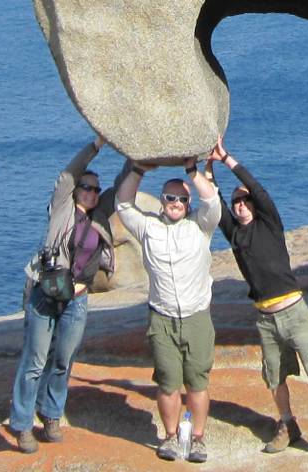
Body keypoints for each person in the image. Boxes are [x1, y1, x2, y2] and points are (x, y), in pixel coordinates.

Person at [195, 139, 308, 465]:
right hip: (265, 317)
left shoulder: (270, 223)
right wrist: (207, 167)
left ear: (254, 205)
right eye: (237, 203)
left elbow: (256, 187)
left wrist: (225, 158)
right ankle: (287, 424)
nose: (240, 206)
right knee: (274, 375)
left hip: (293, 310)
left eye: (244, 202)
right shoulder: (234, 234)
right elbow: (213, 199)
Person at [4, 135, 115, 453]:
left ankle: (50, 413)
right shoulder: (62, 208)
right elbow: (67, 175)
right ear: (77, 191)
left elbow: (124, 184)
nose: (93, 192)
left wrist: (141, 159)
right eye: (88, 187)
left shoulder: (99, 215)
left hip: (78, 299)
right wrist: (96, 146)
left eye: (96, 189)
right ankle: (22, 424)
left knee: (64, 360)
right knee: (35, 361)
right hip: (45, 295)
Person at [115, 156, 221, 463]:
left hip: (197, 317)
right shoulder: (149, 227)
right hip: (161, 318)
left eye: (181, 199)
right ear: (162, 201)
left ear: (188, 204)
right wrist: (136, 169)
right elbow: (123, 205)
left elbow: (212, 201)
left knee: (197, 382)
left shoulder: (200, 226)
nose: (175, 202)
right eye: (170, 197)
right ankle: (171, 437)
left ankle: (198, 439)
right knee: (167, 382)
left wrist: (192, 171)